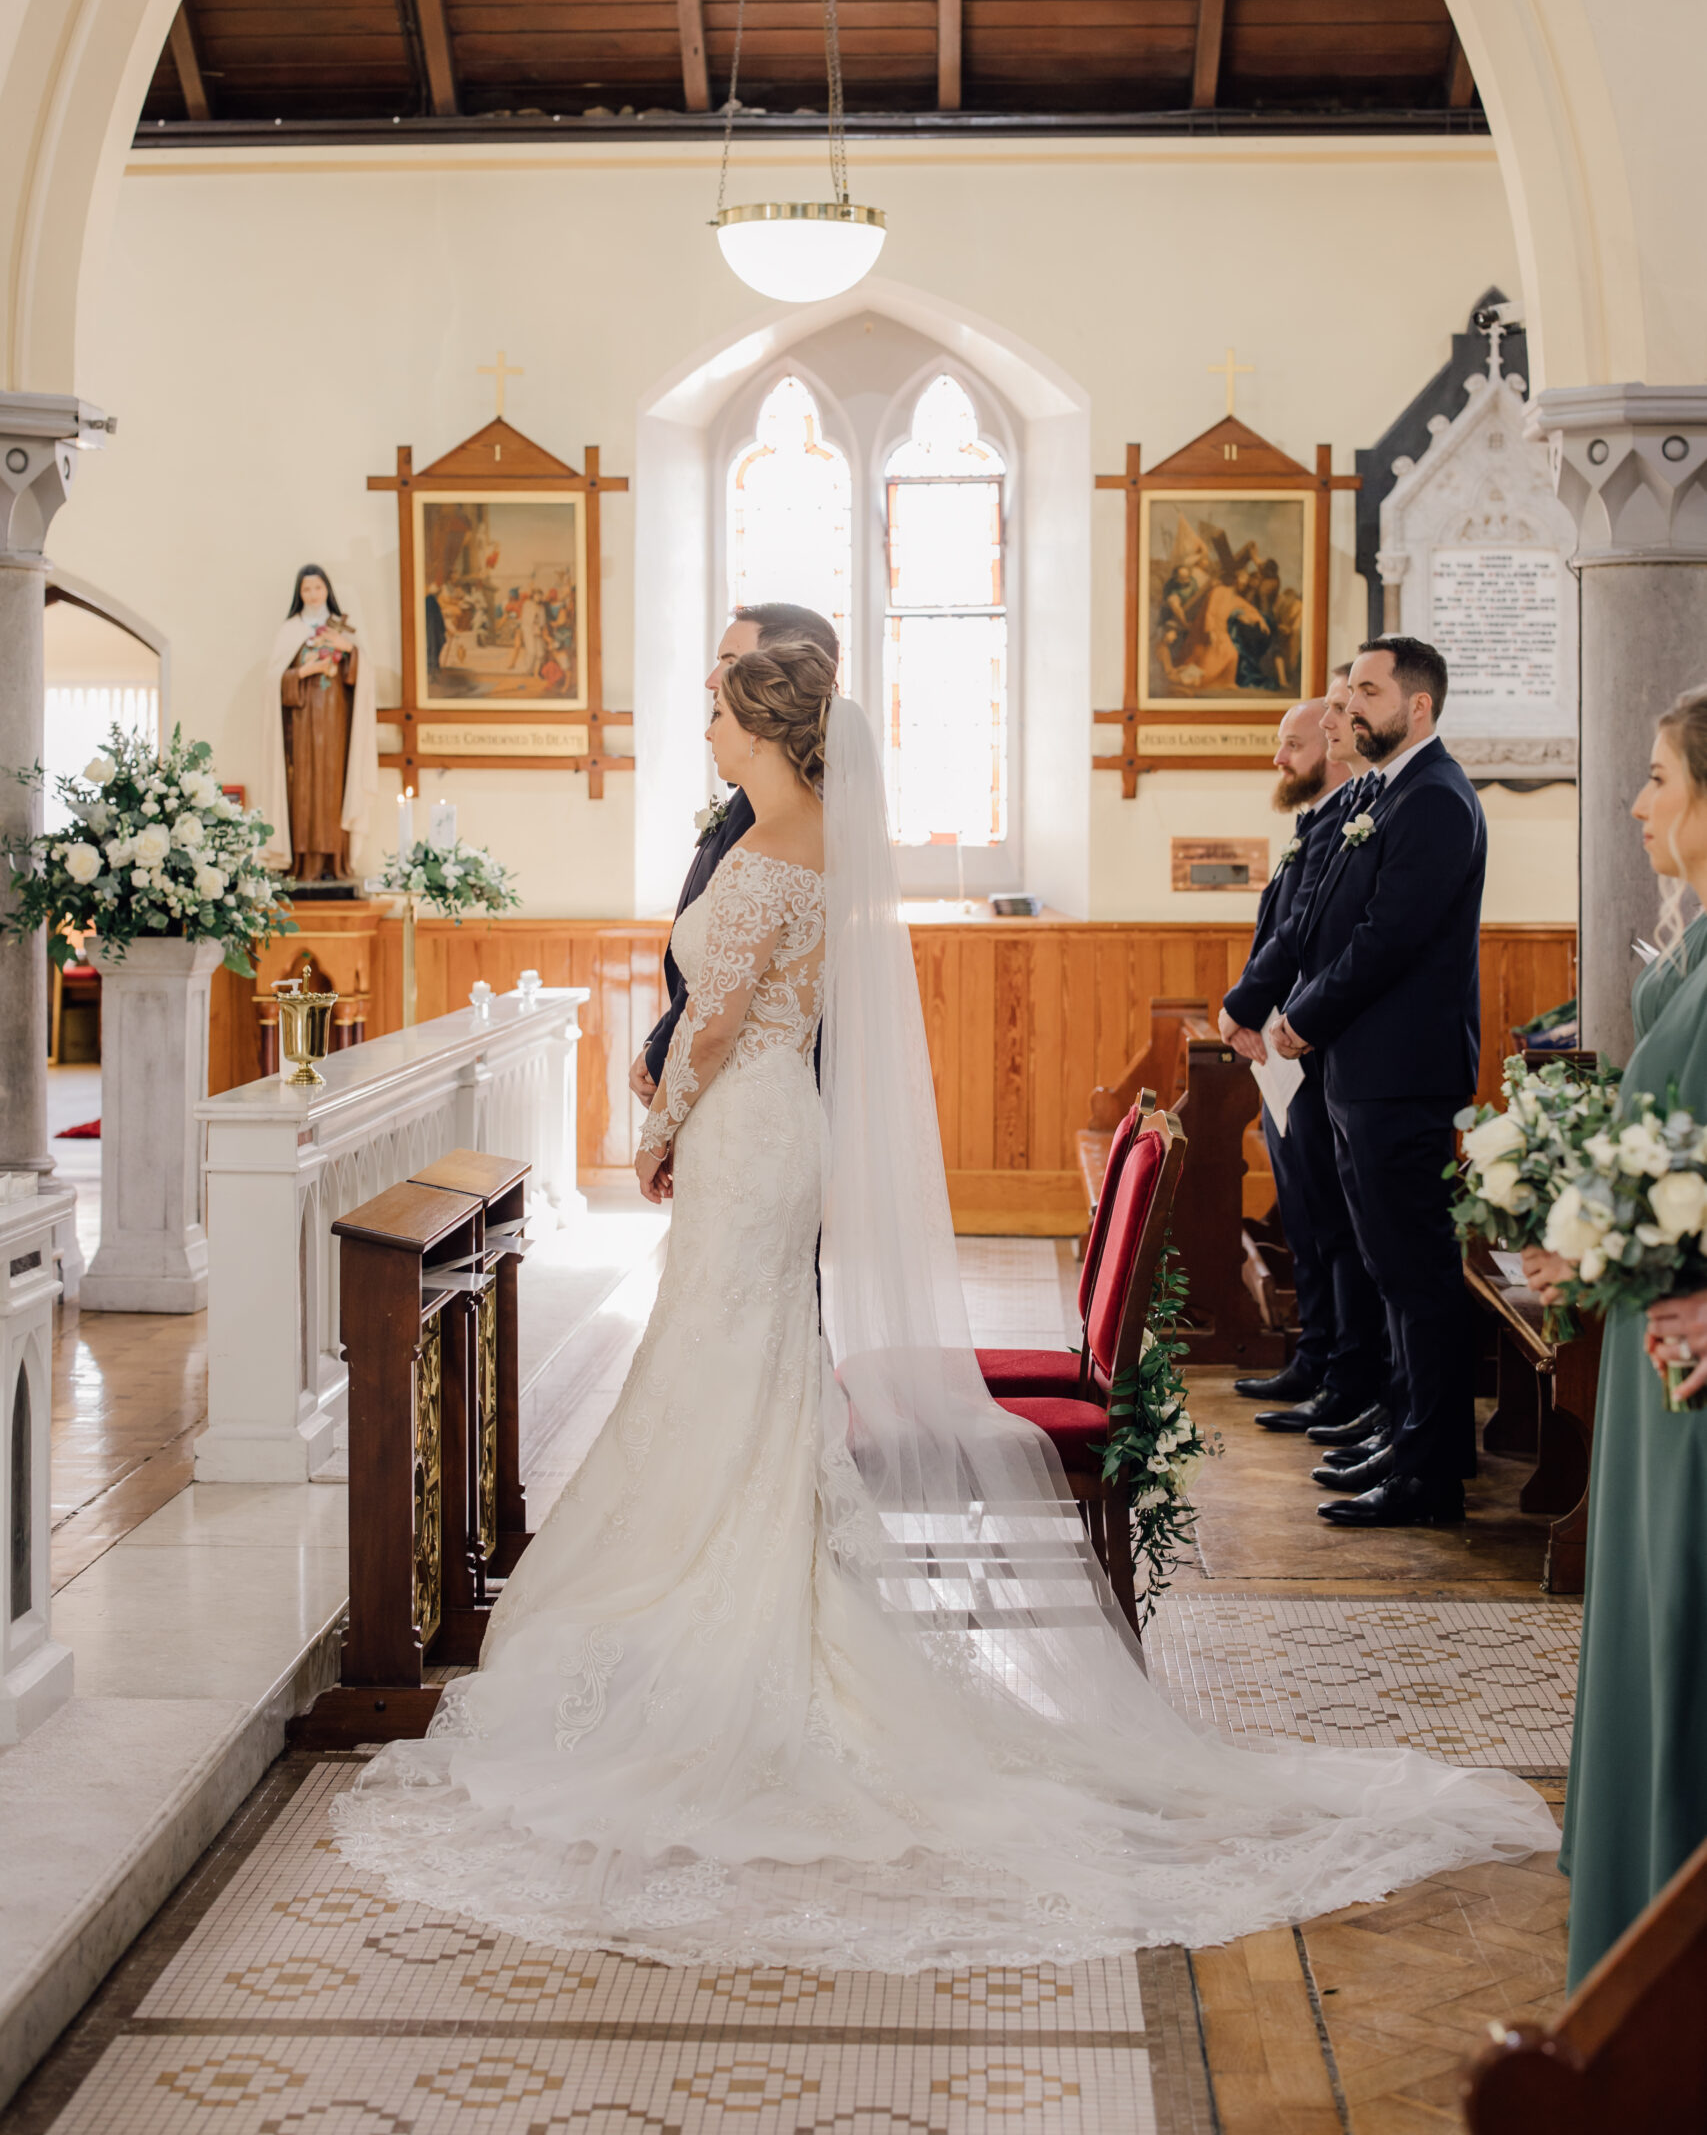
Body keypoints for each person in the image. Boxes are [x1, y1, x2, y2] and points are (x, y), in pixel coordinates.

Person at [331, 641, 1553, 1969]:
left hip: (742, 1129)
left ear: (761, 726)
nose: (705, 726)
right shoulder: (810, 843)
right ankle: (750, 1604)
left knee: (722, 1369)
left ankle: (728, 1635)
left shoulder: (763, 852)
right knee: (742, 1374)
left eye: (718, 711)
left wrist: (656, 1125)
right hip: (771, 1128)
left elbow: (721, 1012)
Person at [1525, 688, 1707, 1985]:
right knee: (1640, 1619)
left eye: (1655, 779)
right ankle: (1636, 1933)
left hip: (1691, 1356)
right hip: (1656, 1339)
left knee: (1680, 1628)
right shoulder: (1687, 946)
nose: (1637, 803)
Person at [1264, 636, 1485, 1527]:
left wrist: (1300, 1017)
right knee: (1392, 1273)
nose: (1344, 706)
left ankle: (1430, 1474)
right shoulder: (1390, 793)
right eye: (1346, 688)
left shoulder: (1432, 800)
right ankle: (1404, 1433)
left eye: (1364, 690)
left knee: (1416, 1277)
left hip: (1401, 1075)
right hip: (1368, 1072)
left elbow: (1386, 940)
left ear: (1417, 707)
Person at [629, 600, 839, 1108]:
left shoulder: (778, 816)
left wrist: (662, 1059)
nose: (711, 679)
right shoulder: (763, 796)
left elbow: (730, 975)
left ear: (779, 677)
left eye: (728, 659)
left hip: (747, 1086)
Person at [1218, 693, 1352, 1406]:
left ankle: (1337, 1369)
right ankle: (1316, 1356)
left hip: (1308, 1042)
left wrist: (1243, 1006)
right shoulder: (1316, 823)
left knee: (1328, 1223)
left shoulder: (1345, 826)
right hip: (1283, 1047)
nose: (1278, 759)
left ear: (1330, 747)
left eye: (1292, 745)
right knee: (1301, 1214)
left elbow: (1301, 934)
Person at [258, 563, 379, 881]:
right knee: (304, 788)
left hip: (336, 721)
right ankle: (302, 863)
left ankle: (334, 864)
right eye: (306, 589)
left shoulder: (340, 629)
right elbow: (274, 680)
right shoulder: (290, 630)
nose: (313, 595)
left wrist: (347, 649)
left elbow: (364, 675)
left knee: (333, 787)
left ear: (327, 590)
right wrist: (303, 672)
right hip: (300, 723)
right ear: (299, 594)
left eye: (318, 588)